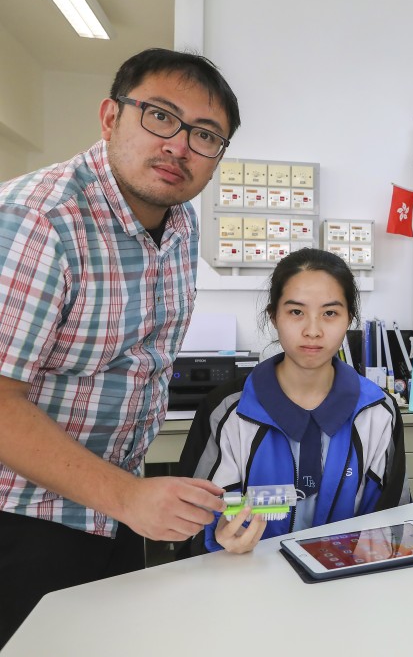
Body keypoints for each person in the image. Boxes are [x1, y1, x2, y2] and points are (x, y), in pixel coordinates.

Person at [0, 48, 241, 644]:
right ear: (111, 117)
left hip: (115, 510)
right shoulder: (40, 219)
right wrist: (129, 495)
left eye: (205, 135)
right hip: (23, 518)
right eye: (160, 116)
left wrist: (135, 500)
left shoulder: (180, 225)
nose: (179, 145)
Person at [189, 248, 409, 554]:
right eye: (296, 312)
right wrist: (217, 537)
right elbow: (189, 529)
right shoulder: (227, 412)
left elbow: (393, 524)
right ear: (274, 317)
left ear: (349, 320)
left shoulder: (378, 412)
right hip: (244, 585)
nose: (313, 330)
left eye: (330, 313)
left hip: (349, 588)